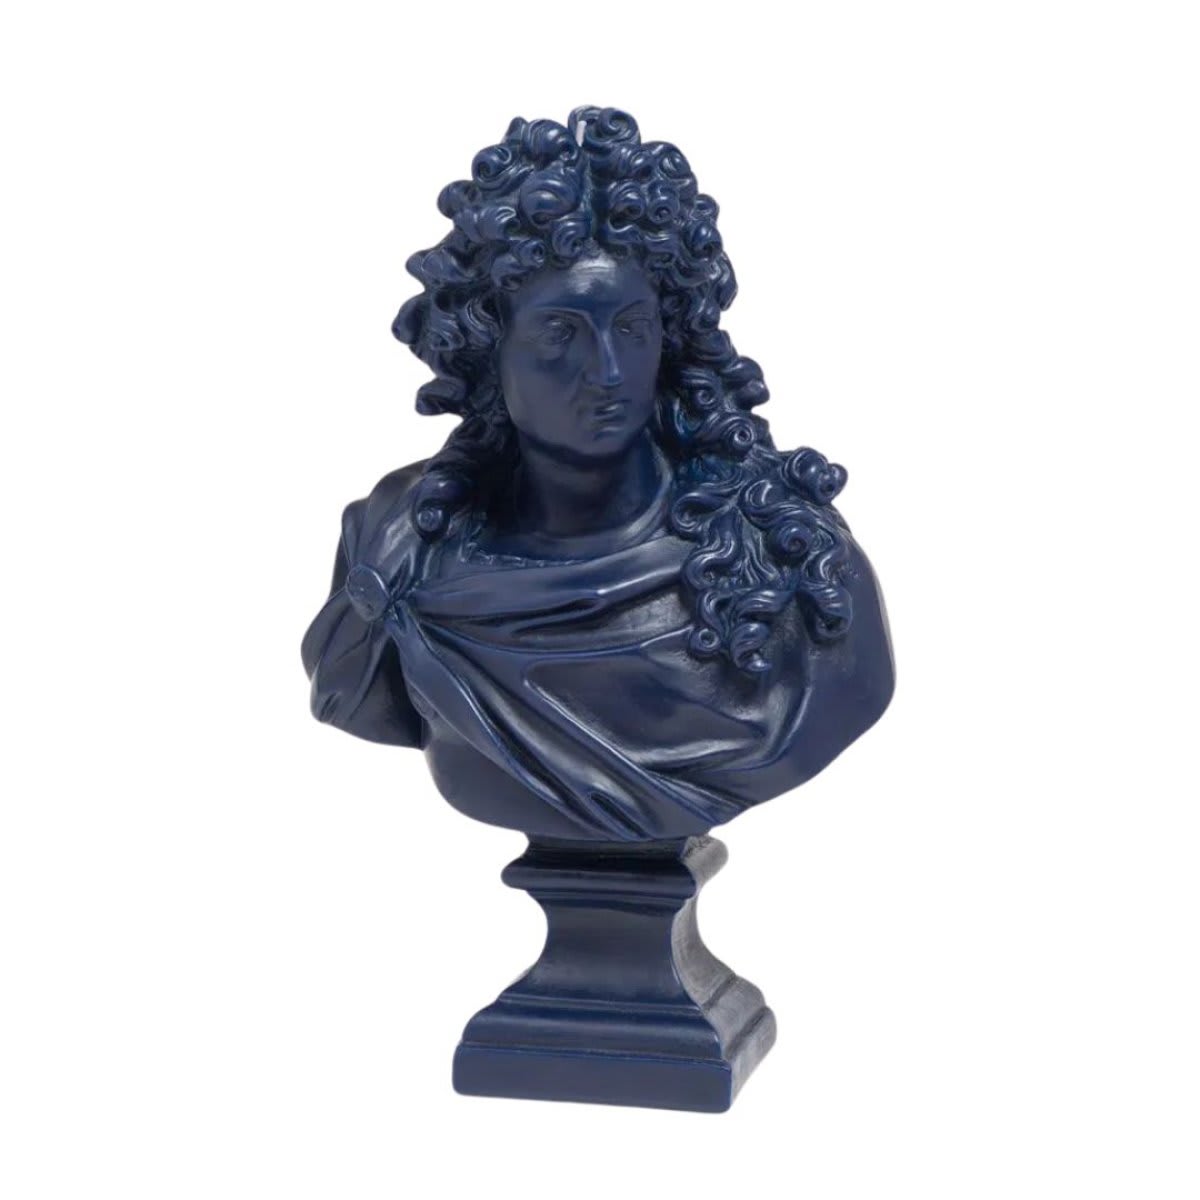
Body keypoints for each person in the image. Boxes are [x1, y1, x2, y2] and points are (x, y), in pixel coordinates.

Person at [302, 106, 895, 841]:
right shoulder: (396, 551)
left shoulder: (791, 565)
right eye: (562, 333)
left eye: (633, 329)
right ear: (487, 348)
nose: (608, 372)